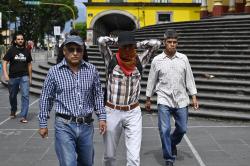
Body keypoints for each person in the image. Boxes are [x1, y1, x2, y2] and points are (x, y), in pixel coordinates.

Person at [38, 35, 106, 166]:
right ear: (64, 51)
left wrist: (102, 117)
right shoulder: (54, 72)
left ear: (83, 51)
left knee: (87, 163)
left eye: (79, 49)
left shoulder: (91, 70)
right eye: (71, 49)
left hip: (86, 125)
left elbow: (98, 95)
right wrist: (43, 123)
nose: (75, 53)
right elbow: (46, 98)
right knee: (68, 163)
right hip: (64, 125)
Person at [98, 31, 161, 166]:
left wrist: (136, 44)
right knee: (109, 156)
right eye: (124, 47)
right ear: (119, 47)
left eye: (130, 47)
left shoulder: (139, 60)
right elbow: (101, 41)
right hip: (112, 111)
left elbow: (156, 44)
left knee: (134, 159)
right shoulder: (111, 59)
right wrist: (118, 40)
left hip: (133, 112)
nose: (127, 50)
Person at [145, 29, 199, 166]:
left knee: (182, 129)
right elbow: (151, 80)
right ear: (164, 43)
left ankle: (171, 142)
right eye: (169, 42)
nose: (172, 45)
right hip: (164, 98)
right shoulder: (157, 60)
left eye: (175, 42)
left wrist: (194, 96)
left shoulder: (183, 58)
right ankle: (169, 158)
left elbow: (189, 78)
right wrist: (148, 98)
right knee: (164, 130)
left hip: (181, 99)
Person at [2, 32, 32, 123]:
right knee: (12, 95)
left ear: (24, 40)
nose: (20, 41)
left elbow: (29, 65)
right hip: (13, 77)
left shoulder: (27, 51)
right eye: (18, 39)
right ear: (15, 40)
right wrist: (5, 74)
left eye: (22, 39)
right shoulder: (11, 50)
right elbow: (4, 62)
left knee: (25, 96)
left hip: (24, 76)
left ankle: (24, 116)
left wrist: (30, 78)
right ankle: (13, 110)